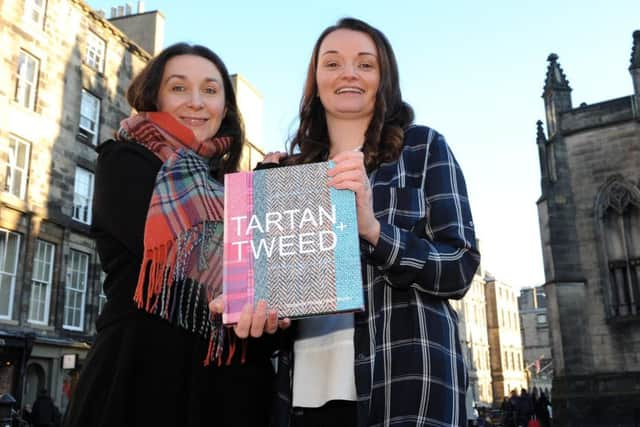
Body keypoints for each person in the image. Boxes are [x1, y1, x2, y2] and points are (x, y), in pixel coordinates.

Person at [266, 17, 480, 426]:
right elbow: (277, 305)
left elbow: (460, 268)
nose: (348, 73)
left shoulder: (422, 147)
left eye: (365, 64)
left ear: (384, 79)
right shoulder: (288, 173)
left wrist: (373, 230)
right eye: (332, 63)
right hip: (302, 395)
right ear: (315, 81)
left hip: (406, 384)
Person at [63, 43, 283, 427]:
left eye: (211, 90)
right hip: (141, 383)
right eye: (179, 88)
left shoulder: (230, 189)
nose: (196, 101)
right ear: (155, 97)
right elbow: (195, 255)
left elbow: (274, 306)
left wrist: (277, 195)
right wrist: (261, 197)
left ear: (225, 109)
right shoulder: (124, 160)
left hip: (231, 393)